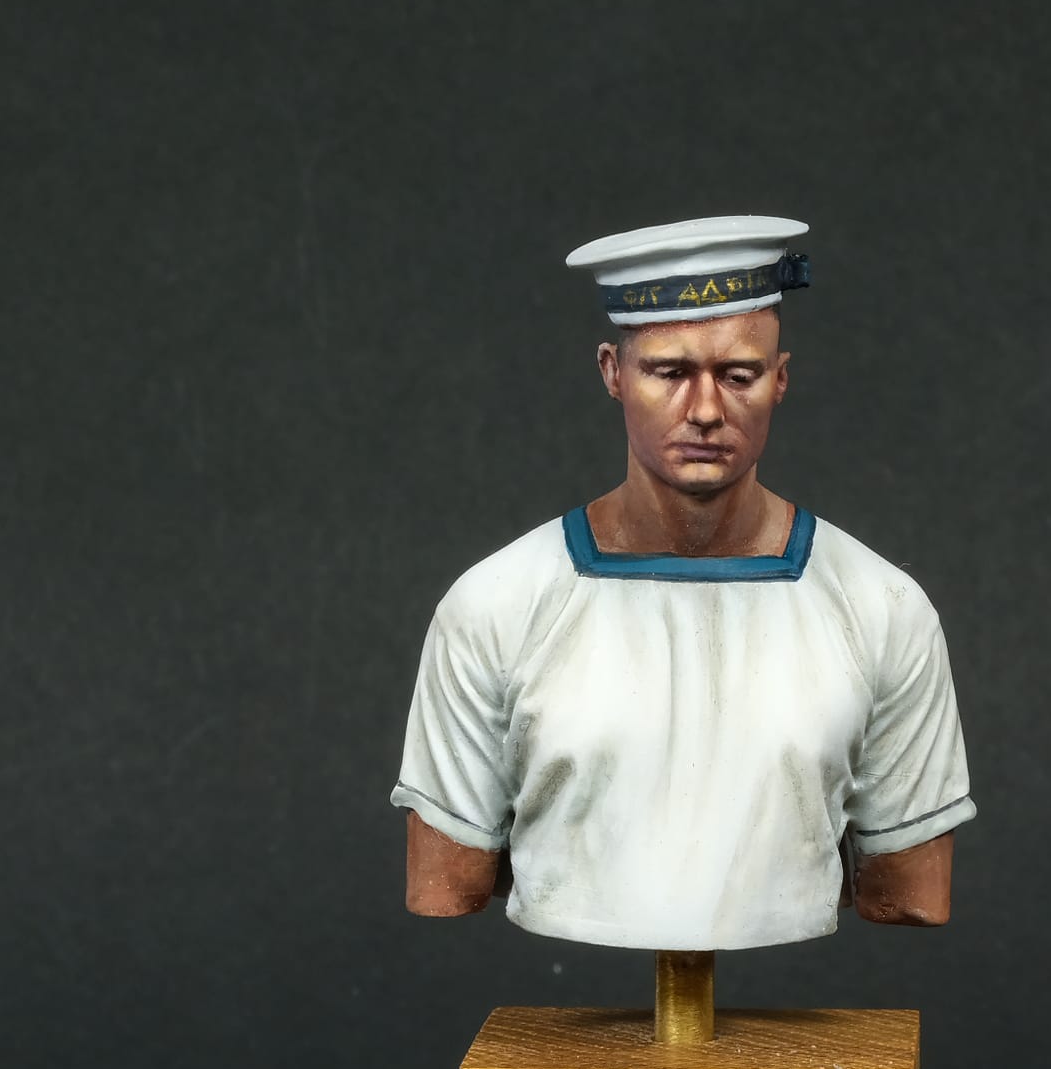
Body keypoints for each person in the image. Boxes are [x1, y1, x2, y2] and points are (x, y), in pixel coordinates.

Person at [392, 215, 973, 950]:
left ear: (780, 380)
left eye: (739, 375)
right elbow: (448, 878)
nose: (704, 411)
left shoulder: (881, 607)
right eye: (668, 373)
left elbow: (909, 888)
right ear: (613, 372)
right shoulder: (495, 605)